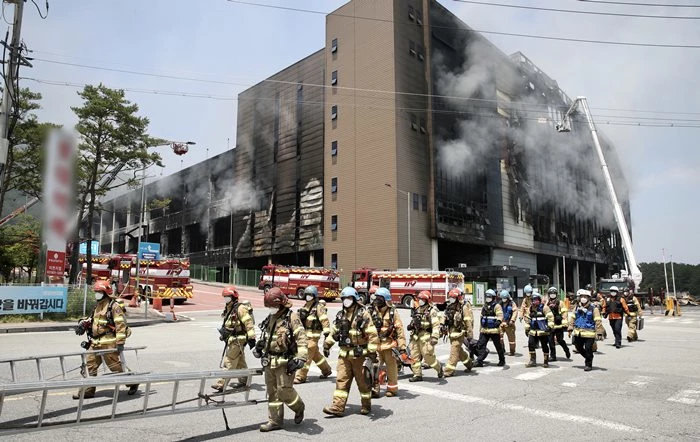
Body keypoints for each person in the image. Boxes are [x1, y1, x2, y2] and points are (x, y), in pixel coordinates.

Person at [253, 287, 307, 432]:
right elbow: (267, 336)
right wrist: (259, 346)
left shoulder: (291, 317)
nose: (270, 308)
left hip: (285, 362)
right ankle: (275, 421)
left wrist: (301, 358)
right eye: (269, 306)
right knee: (272, 392)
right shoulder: (271, 317)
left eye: (273, 306)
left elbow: (301, 338)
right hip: (269, 361)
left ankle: (299, 407)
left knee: (284, 391)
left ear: (281, 303)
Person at [73, 280, 138, 399]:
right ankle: (88, 391)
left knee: (115, 367)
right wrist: (83, 324)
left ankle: (133, 382)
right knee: (90, 365)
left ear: (105, 293)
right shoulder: (97, 305)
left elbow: (120, 324)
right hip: (95, 342)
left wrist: (120, 342)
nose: (96, 294)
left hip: (108, 342)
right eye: (96, 292)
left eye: (99, 292)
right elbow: (91, 319)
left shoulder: (114, 306)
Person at [323, 286, 379, 416]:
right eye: (344, 298)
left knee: (363, 383)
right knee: (341, 380)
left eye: (348, 298)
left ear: (354, 299)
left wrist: (371, 352)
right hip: (344, 355)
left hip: (359, 356)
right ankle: (337, 407)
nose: (346, 301)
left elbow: (372, 334)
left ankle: (366, 404)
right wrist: (327, 345)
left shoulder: (363, 314)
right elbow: (334, 331)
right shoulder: (341, 315)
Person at [212, 285, 256, 392]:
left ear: (233, 297)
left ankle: (221, 383)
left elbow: (248, 322)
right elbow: (229, 323)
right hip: (233, 339)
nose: (226, 299)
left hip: (237, 340)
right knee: (240, 362)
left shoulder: (240, 308)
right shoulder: (229, 308)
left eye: (228, 297)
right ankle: (245, 380)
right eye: (225, 297)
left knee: (229, 361)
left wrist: (251, 337)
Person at [368, 287, 407, 397]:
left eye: (379, 298)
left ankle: (392, 389)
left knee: (391, 368)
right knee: (374, 367)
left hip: (389, 345)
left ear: (385, 300)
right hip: (375, 345)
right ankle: (375, 388)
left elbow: (399, 330)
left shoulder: (392, 312)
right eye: (376, 297)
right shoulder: (371, 311)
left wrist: (402, 347)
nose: (376, 300)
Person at [294, 285, 332, 384]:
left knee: (306, 356)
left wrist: (327, 334)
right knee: (316, 356)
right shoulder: (305, 307)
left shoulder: (319, 307)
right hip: (305, 336)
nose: (308, 297)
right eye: (306, 295)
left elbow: (324, 320)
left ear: (314, 296)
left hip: (313, 338)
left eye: (310, 295)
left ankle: (300, 376)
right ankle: (326, 370)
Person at [406, 290, 444, 381]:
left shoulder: (432, 310)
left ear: (427, 300)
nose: (420, 301)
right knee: (414, 356)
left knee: (428, 357)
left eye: (422, 299)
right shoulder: (417, 309)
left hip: (426, 336)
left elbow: (436, 325)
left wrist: (435, 337)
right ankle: (417, 375)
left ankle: (439, 368)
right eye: (419, 299)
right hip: (416, 336)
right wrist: (411, 326)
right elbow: (414, 321)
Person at [568, 289, 602, 371]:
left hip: (589, 333)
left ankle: (588, 364)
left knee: (588, 348)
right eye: (582, 297)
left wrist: (599, 332)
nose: (583, 298)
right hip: (578, 332)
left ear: (588, 298)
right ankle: (588, 357)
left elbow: (598, 320)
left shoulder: (593, 308)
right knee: (578, 347)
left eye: (585, 297)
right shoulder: (576, 307)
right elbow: (572, 318)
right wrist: (570, 328)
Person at [442, 288, 474, 377]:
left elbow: (468, 321)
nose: (451, 299)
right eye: (450, 297)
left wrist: (470, 334)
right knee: (459, 351)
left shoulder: (463, 307)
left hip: (459, 333)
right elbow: (444, 316)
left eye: (453, 297)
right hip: (451, 332)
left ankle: (449, 371)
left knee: (454, 351)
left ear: (457, 298)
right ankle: (469, 363)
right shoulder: (449, 307)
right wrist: (442, 324)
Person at [524, 292, 555, 368]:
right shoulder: (530, 309)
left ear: (539, 300)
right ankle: (532, 361)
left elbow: (550, 317)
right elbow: (527, 319)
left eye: (536, 299)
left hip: (543, 331)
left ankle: (546, 361)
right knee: (531, 345)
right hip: (533, 331)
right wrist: (527, 329)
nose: (535, 301)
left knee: (544, 346)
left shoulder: (544, 308)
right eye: (533, 300)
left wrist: (550, 326)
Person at [475, 289, 505, 367]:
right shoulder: (484, 306)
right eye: (487, 296)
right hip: (484, 330)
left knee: (498, 346)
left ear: (493, 297)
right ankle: (479, 361)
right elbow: (481, 318)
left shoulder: (497, 306)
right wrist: (480, 329)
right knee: (481, 345)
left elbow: (500, 315)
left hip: (494, 330)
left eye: (489, 296)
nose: (488, 298)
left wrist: (498, 321)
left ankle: (502, 360)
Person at [546, 286, 570, 361]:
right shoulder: (547, 303)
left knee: (560, 340)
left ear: (556, 294)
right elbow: (544, 312)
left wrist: (564, 321)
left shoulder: (560, 302)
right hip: (550, 325)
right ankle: (553, 356)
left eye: (554, 293)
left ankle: (566, 349)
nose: (552, 295)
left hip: (558, 325)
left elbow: (564, 312)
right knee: (550, 341)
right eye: (551, 293)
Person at [499, 289, 518, 356]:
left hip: (509, 323)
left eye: (505, 298)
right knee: (499, 337)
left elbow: (515, 312)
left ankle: (512, 351)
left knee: (511, 339)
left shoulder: (512, 304)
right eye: (502, 298)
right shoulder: (500, 304)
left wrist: (512, 320)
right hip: (501, 323)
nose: (503, 299)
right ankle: (502, 349)